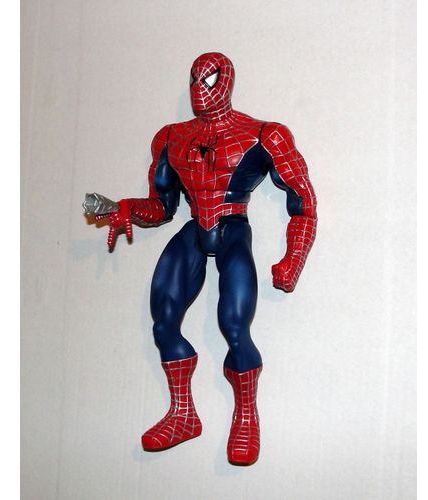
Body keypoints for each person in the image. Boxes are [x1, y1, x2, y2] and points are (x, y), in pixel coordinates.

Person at [91, 52, 317, 465]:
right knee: (164, 321)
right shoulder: (171, 137)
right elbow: (162, 208)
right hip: (195, 227)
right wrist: (126, 208)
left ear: (227, 82)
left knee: (235, 325)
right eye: (195, 79)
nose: (200, 89)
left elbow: (303, 201)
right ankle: (183, 414)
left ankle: (245, 416)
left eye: (210, 80)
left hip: (233, 225)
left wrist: (293, 259)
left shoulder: (264, 134)